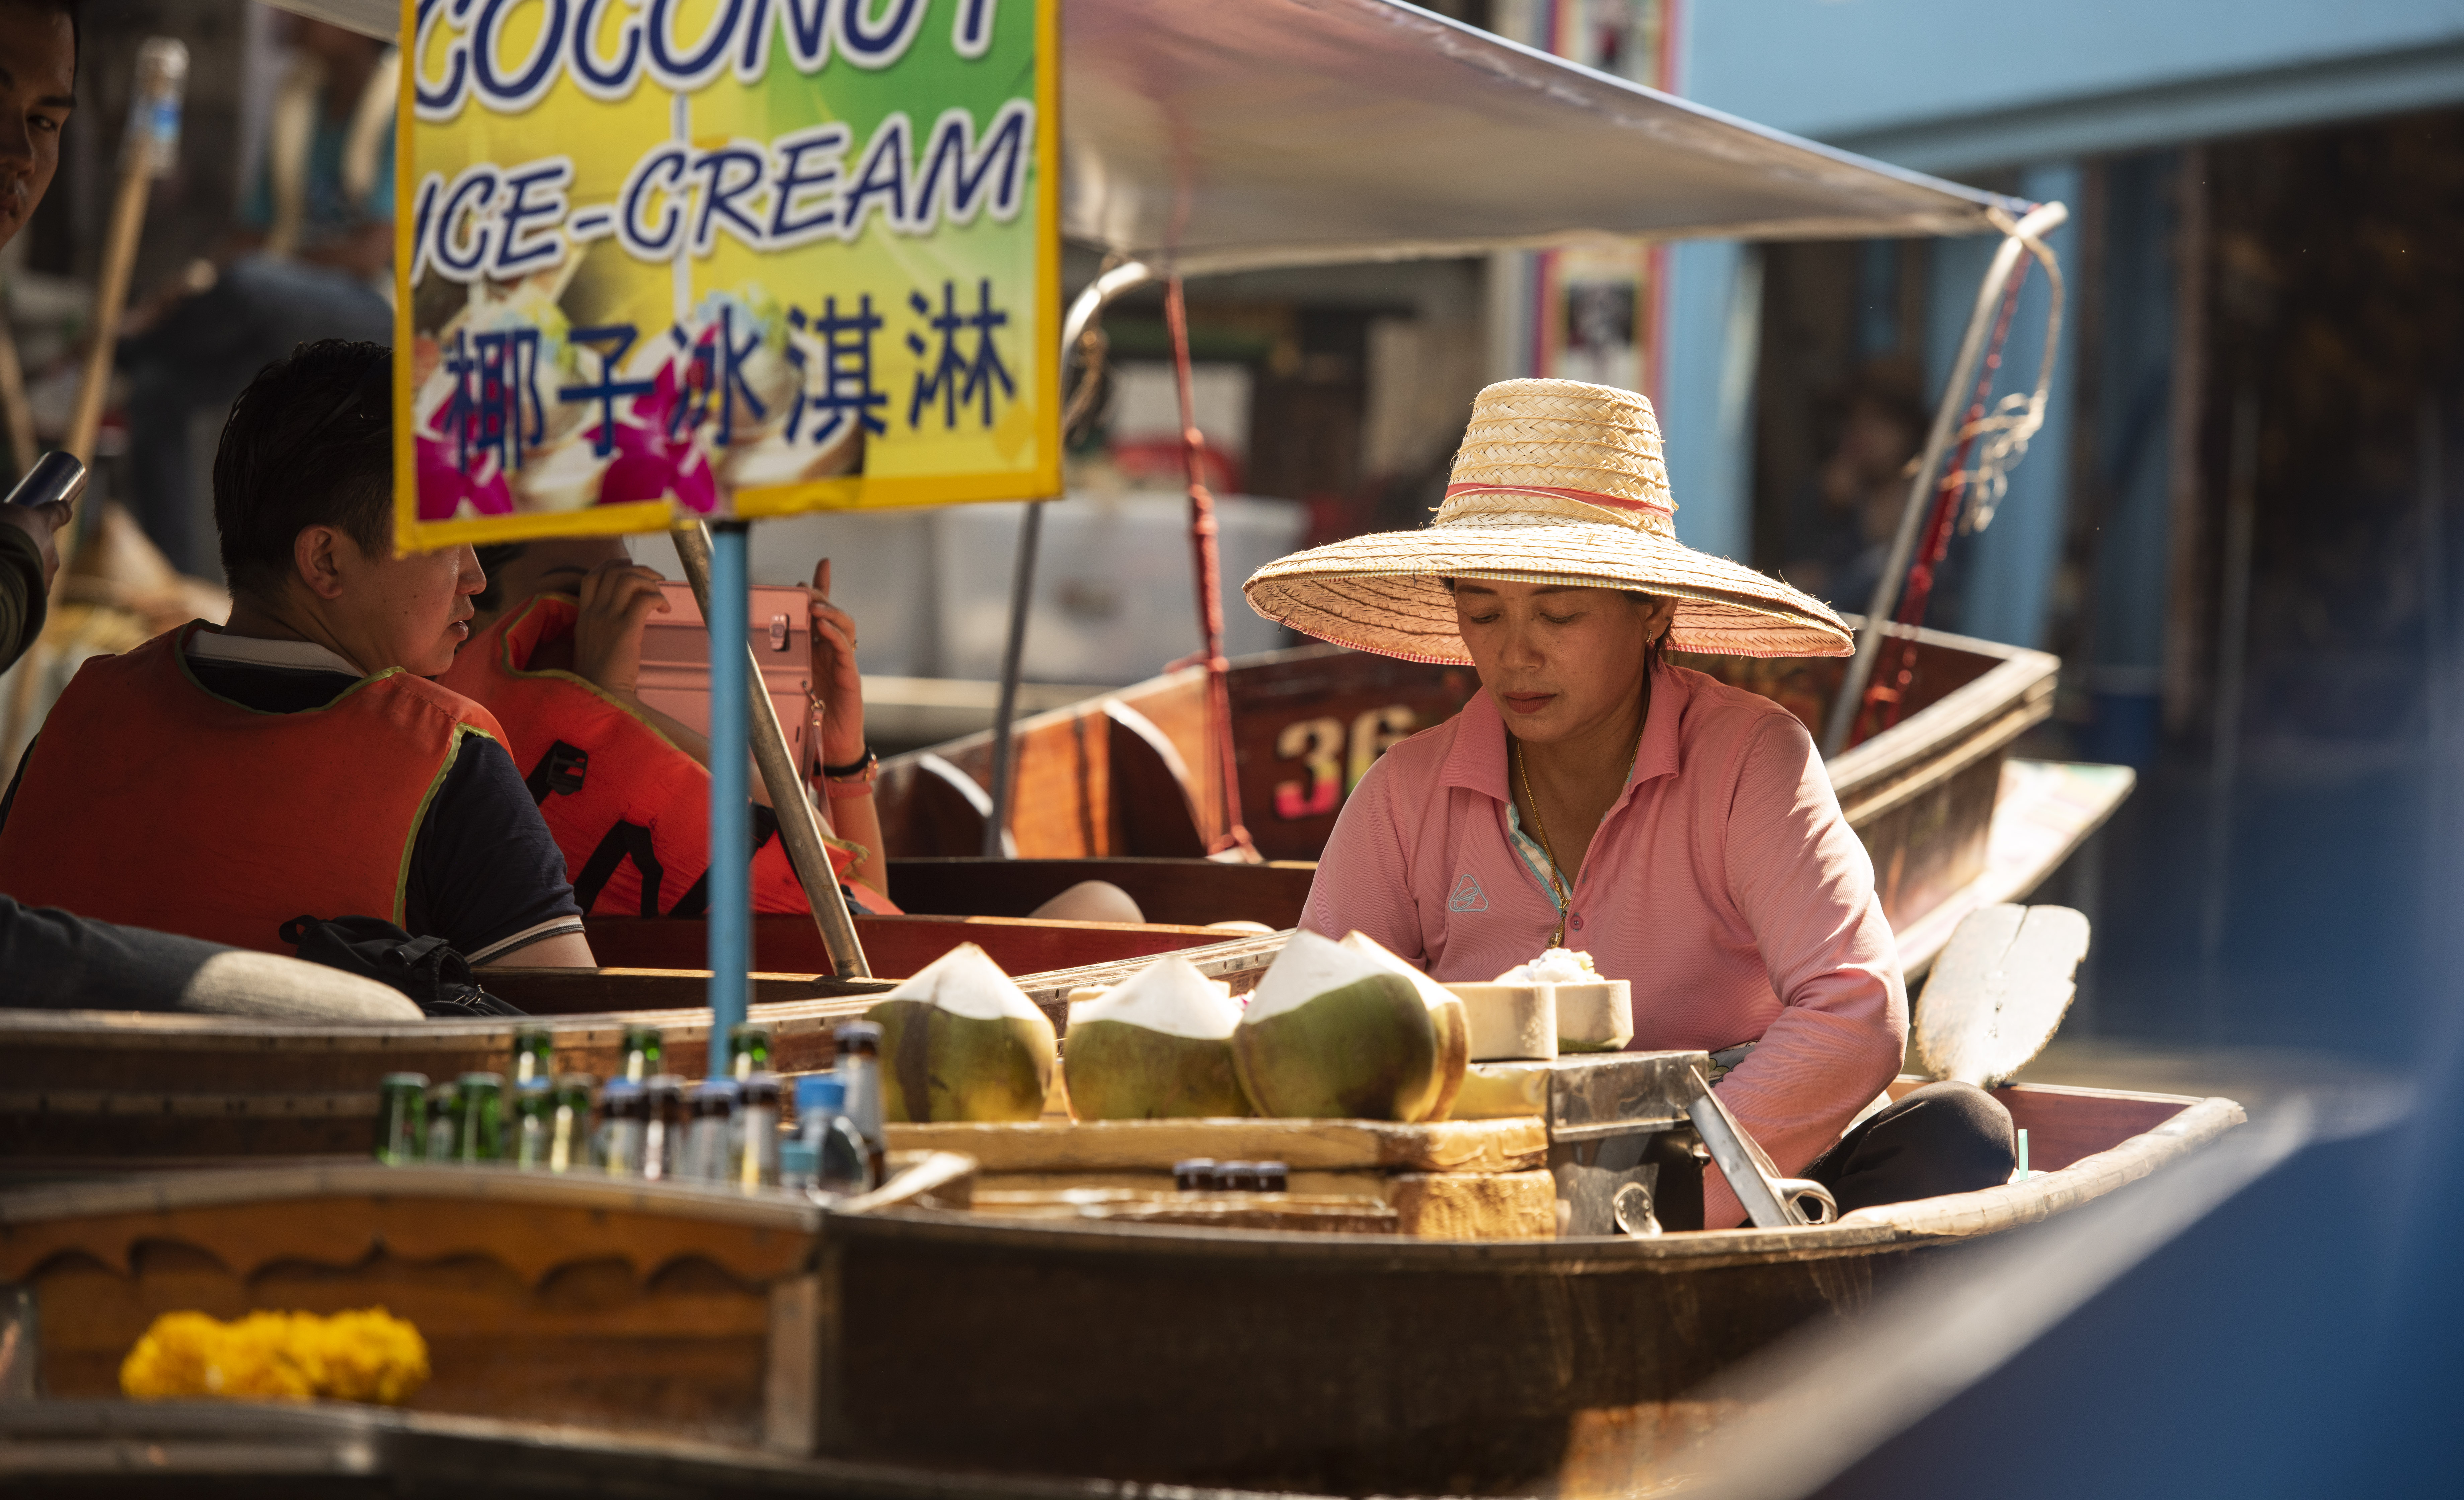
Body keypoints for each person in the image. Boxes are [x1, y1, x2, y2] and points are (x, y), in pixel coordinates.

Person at [1244, 377, 2014, 1228]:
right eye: (1482, 613)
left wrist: (1665, 1204)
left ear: (1650, 610)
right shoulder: (1403, 793)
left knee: (1960, 1131)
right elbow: (1311, 1017)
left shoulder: (1747, 758)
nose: (1514, 655)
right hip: (1489, 1175)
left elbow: (1854, 1007)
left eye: (1560, 614)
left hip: (1717, 1164)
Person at [0, 0, 416, 1019]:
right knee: (164, 360)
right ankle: (200, 560)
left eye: (43, 122)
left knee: (227, 301)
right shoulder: (294, 109)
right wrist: (156, 308)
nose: (22, 159)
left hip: (350, 307)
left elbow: (382, 244)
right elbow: (245, 235)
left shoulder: (390, 98)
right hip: (264, 289)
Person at [0, 338, 594, 970]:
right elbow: (562, 1037)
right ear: (326, 560)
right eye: (450, 538)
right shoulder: (449, 759)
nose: (475, 576)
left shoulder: (87, 706)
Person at [451, 538, 1145, 925]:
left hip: (860, 967)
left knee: (1118, 912)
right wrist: (610, 706)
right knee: (1106, 908)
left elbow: (857, 897)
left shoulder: (637, 720)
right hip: (823, 1006)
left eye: (630, 587)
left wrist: (840, 751)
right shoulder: (490, 765)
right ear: (477, 609)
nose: (616, 617)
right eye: (582, 596)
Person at [119, 17, 397, 572]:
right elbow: (249, 233)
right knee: (156, 392)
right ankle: (174, 581)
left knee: (249, 286)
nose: (290, 13)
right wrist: (192, 285)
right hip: (280, 307)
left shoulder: (402, 104)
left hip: (376, 310)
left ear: (358, 23)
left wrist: (239, 277)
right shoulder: (301, 98)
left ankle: (125, 349)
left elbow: (373, 251)